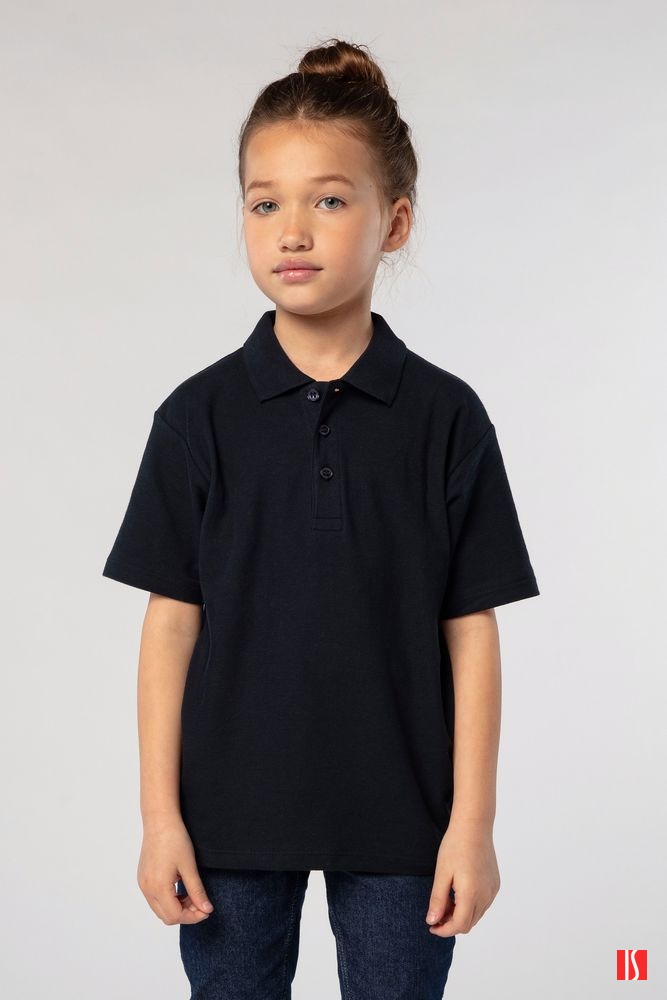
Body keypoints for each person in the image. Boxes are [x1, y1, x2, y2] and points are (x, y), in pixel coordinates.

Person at [102, 37, 540, 1000]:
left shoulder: (446, 419)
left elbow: (470, 630)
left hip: (404, 823)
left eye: (329, 201)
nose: (291, 231)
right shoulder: (196, 418)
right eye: (265, 203)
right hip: (226, 821)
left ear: (395, 221)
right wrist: (159, 819)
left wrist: (471, 825)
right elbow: (170, 626)